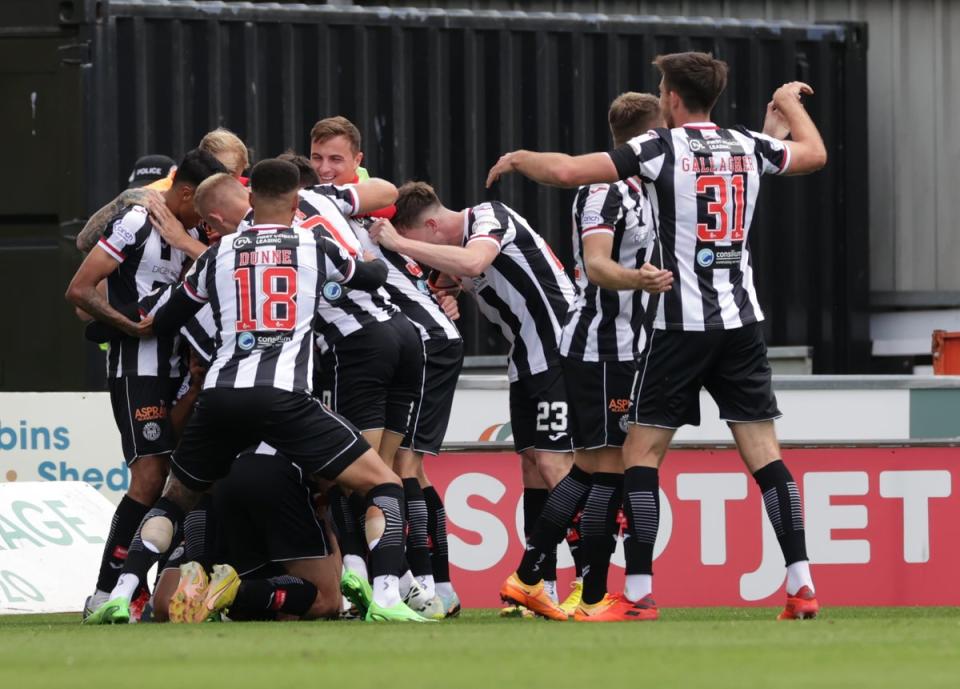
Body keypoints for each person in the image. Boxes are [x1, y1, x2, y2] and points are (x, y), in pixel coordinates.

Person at [485, 51, 827, 621]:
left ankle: (636, 594)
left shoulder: (659, 148)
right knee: (766, 456)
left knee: (637, 458)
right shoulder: (746, 145)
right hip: (741, 323)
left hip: (677, 326)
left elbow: (569, 171)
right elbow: (812, 155)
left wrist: (520, 157)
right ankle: (802, 584)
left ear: (671, 98)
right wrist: (789, 106)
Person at [83, 159, 426, 625]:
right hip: (285, 398)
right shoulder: (313, 242)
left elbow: (167, 317)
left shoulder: (216, 254)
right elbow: (371, 278)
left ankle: (120, 594)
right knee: (382, 482)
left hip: (221, 396)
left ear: (251, 199)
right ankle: (386, 596)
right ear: (294, 201)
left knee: (175, 498)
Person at [371, 183, 578, 615]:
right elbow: (452, 277)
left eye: (418, 243)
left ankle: (588, 586)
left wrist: (396, 241)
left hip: (561, 352)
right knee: (532, 470)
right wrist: (445, 295)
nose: (417, 254)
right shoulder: (453, 250)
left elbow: (474, 261)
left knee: (556, 466)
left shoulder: (488, 216)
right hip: (525, 360)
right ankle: (540, 586)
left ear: (431, 224)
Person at [308, 116, 464, 618]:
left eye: (337, 159)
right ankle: (421, 582)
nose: (326, 169)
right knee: (395, 470)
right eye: (318, 159)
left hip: (410, 341)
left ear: (357, 161)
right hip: (416, 336)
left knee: (379, 471)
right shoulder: (336, 208)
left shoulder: (351, 203)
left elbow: (386, 195)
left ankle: (407, 580)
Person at [65, 149, 226, 619]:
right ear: (184, 193)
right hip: (138, 367)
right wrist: (128, 325)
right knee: (149, 477)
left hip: (182, 369)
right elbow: (79, 290)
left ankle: (144, 592)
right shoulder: (137, 221)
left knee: (179, 477)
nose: (211, 217)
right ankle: (105, 591)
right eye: (205, 204)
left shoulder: (197, 231)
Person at [554, 92, 671, 621]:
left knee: (595, 470)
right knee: (607, 472)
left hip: (634, 346)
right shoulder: (602, 192)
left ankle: (532, 574)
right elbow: (597, 266)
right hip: (600, 348)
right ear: (653, 133)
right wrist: (641, 280)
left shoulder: (645, 188)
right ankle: (595, 594)